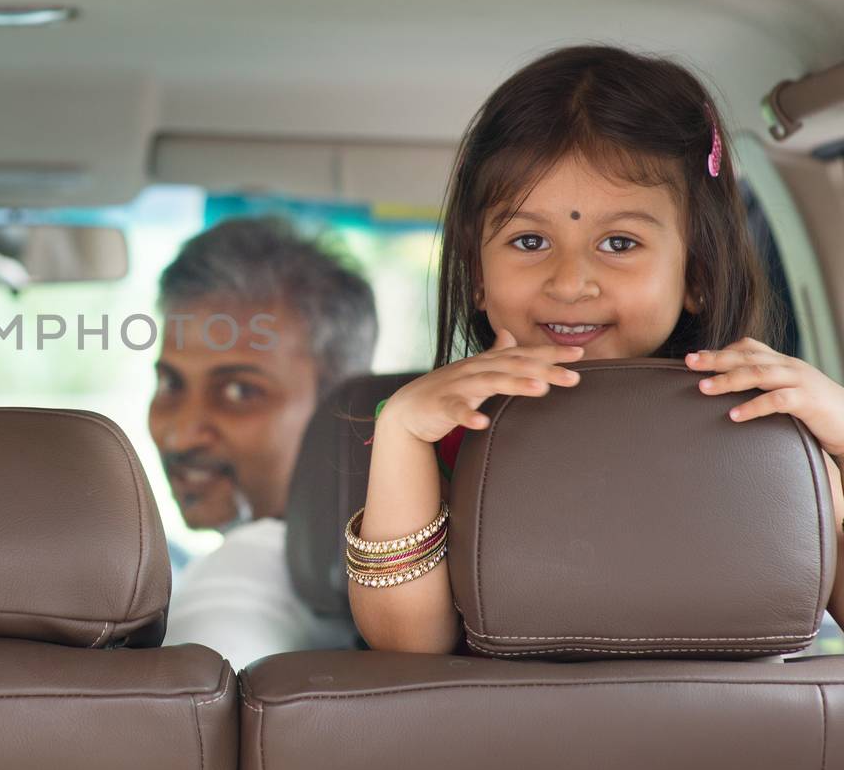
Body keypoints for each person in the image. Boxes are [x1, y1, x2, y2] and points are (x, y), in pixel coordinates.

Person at [351, 43, 844, 654]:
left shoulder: (766, 432)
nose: (570, 283)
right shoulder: (446, 438)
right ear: (476, 274)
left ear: (696, 274)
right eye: (529, 240)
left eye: (619, 244)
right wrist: (402, 432)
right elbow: (410, 650)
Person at [149, 216, 377, 667]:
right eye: (171, 384)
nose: (181, 432)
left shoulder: (235, 586)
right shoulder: (375, 579)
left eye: (240, 392)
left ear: (341, 410)